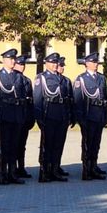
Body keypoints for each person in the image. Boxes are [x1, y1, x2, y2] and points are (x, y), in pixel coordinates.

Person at [0, 49, 27, 184]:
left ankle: (13, 173)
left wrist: (22, 115)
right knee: (4, 146)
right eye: (10, 59)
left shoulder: (19, 76)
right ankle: (3, 174)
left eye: (14, 59)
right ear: (4, 60)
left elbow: (22, 97)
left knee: (14, 146)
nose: (13, 61)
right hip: (4, 116)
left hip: (16, 116)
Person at [33, 52, 69, 182]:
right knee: (47, 145)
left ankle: (55, 170)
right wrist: (39, 118)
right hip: (48, 115)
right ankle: (44, 172)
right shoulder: (41, 78)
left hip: (61, 116)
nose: (55, 65)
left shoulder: (62, 79)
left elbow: (67, 99)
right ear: (46, 63)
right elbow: (37, 99)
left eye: (56, 63)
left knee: (58, 145)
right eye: (52, 62)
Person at [74, 52, 107, 180]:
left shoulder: (101, 78)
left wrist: (106, 115)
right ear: (87, 64)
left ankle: (94, 167)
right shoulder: (81, 79)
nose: (96, 64)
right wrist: (80, 118)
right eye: (93, 62)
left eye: (97, 62)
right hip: (88, 116)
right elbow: (78, 100)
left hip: (99, 115)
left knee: (96, 143)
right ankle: (86, 170)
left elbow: (104, 99)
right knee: (87, 144)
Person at [13, 55, 35, 178]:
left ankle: (21, 167)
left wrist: (31, 117)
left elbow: (31, 101)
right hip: (14, 117)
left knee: (22, 145)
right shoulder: (13, 79)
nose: (22, 67)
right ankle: (12, 168)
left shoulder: (27, 80)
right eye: (20, 64)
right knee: (13, 144)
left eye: (23, 64)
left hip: (25, 117)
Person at [56, 56, 75, 176]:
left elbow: (71, 100)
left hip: (63, 116)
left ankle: (57, 166)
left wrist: (72, 116)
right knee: (50, 145)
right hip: (52, 116)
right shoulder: (46, 79)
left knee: (60, 143)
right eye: (60, 66)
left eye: (63, 66)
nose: (62, 68)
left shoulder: (66, 81)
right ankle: (48, 167)